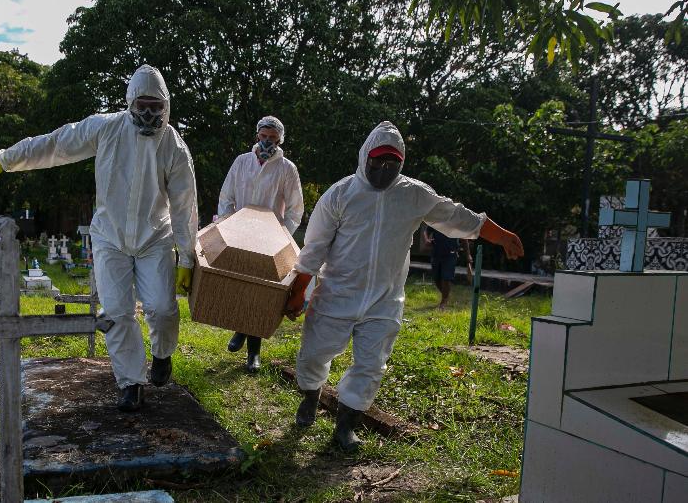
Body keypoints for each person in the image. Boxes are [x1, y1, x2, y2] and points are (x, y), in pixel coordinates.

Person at [284, 121, 523, 451]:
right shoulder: (340, 194)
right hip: (336, 293)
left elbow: (459, 218)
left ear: (402, 163)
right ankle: (310, 397)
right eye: (377, 160)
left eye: (391, 163)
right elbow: (314, 248)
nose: (383, 168)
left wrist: (502, 236)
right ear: (364, 156)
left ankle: (345, 426)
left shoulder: (414, 194)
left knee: (370, 366)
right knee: (313, 355)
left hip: (384, 300)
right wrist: (299, 290)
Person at [0, 65, 198, 413]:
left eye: (157, 107)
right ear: (129, 103)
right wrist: (6, 159)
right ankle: (131, 383)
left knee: (163, 309)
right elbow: (56, 144)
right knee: (117, 312)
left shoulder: (174, 147)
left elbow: (184, 206)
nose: (150, 115)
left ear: (166, 106)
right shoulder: (105, 128)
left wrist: (186, 257)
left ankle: (162, 354)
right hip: (109, 236)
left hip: (155, 237)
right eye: (143, 106)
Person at [217, 116, 303, 372]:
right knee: (240, 287)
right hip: (239, 233)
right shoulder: (242, 162)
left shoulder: (287, 169)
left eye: (273, 139)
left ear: (280, 140)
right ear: (257, 136)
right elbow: (226, 196)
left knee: (260, 294)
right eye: (264, 136)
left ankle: (253, 352)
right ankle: (240, 330)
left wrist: (282, 234)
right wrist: (226, 225)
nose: (268, 142)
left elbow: (295, 208)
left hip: (269, 240)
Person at [424, 226, 468, 309]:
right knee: (436, 278)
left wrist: (468, 255)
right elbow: (426, 231)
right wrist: (426, 239)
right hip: (436, 253)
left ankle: (444, 301)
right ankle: (446, 296)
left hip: (450, 254)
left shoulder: (455, 221)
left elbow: (464, 239)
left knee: (446, 278)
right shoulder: (437, 218)